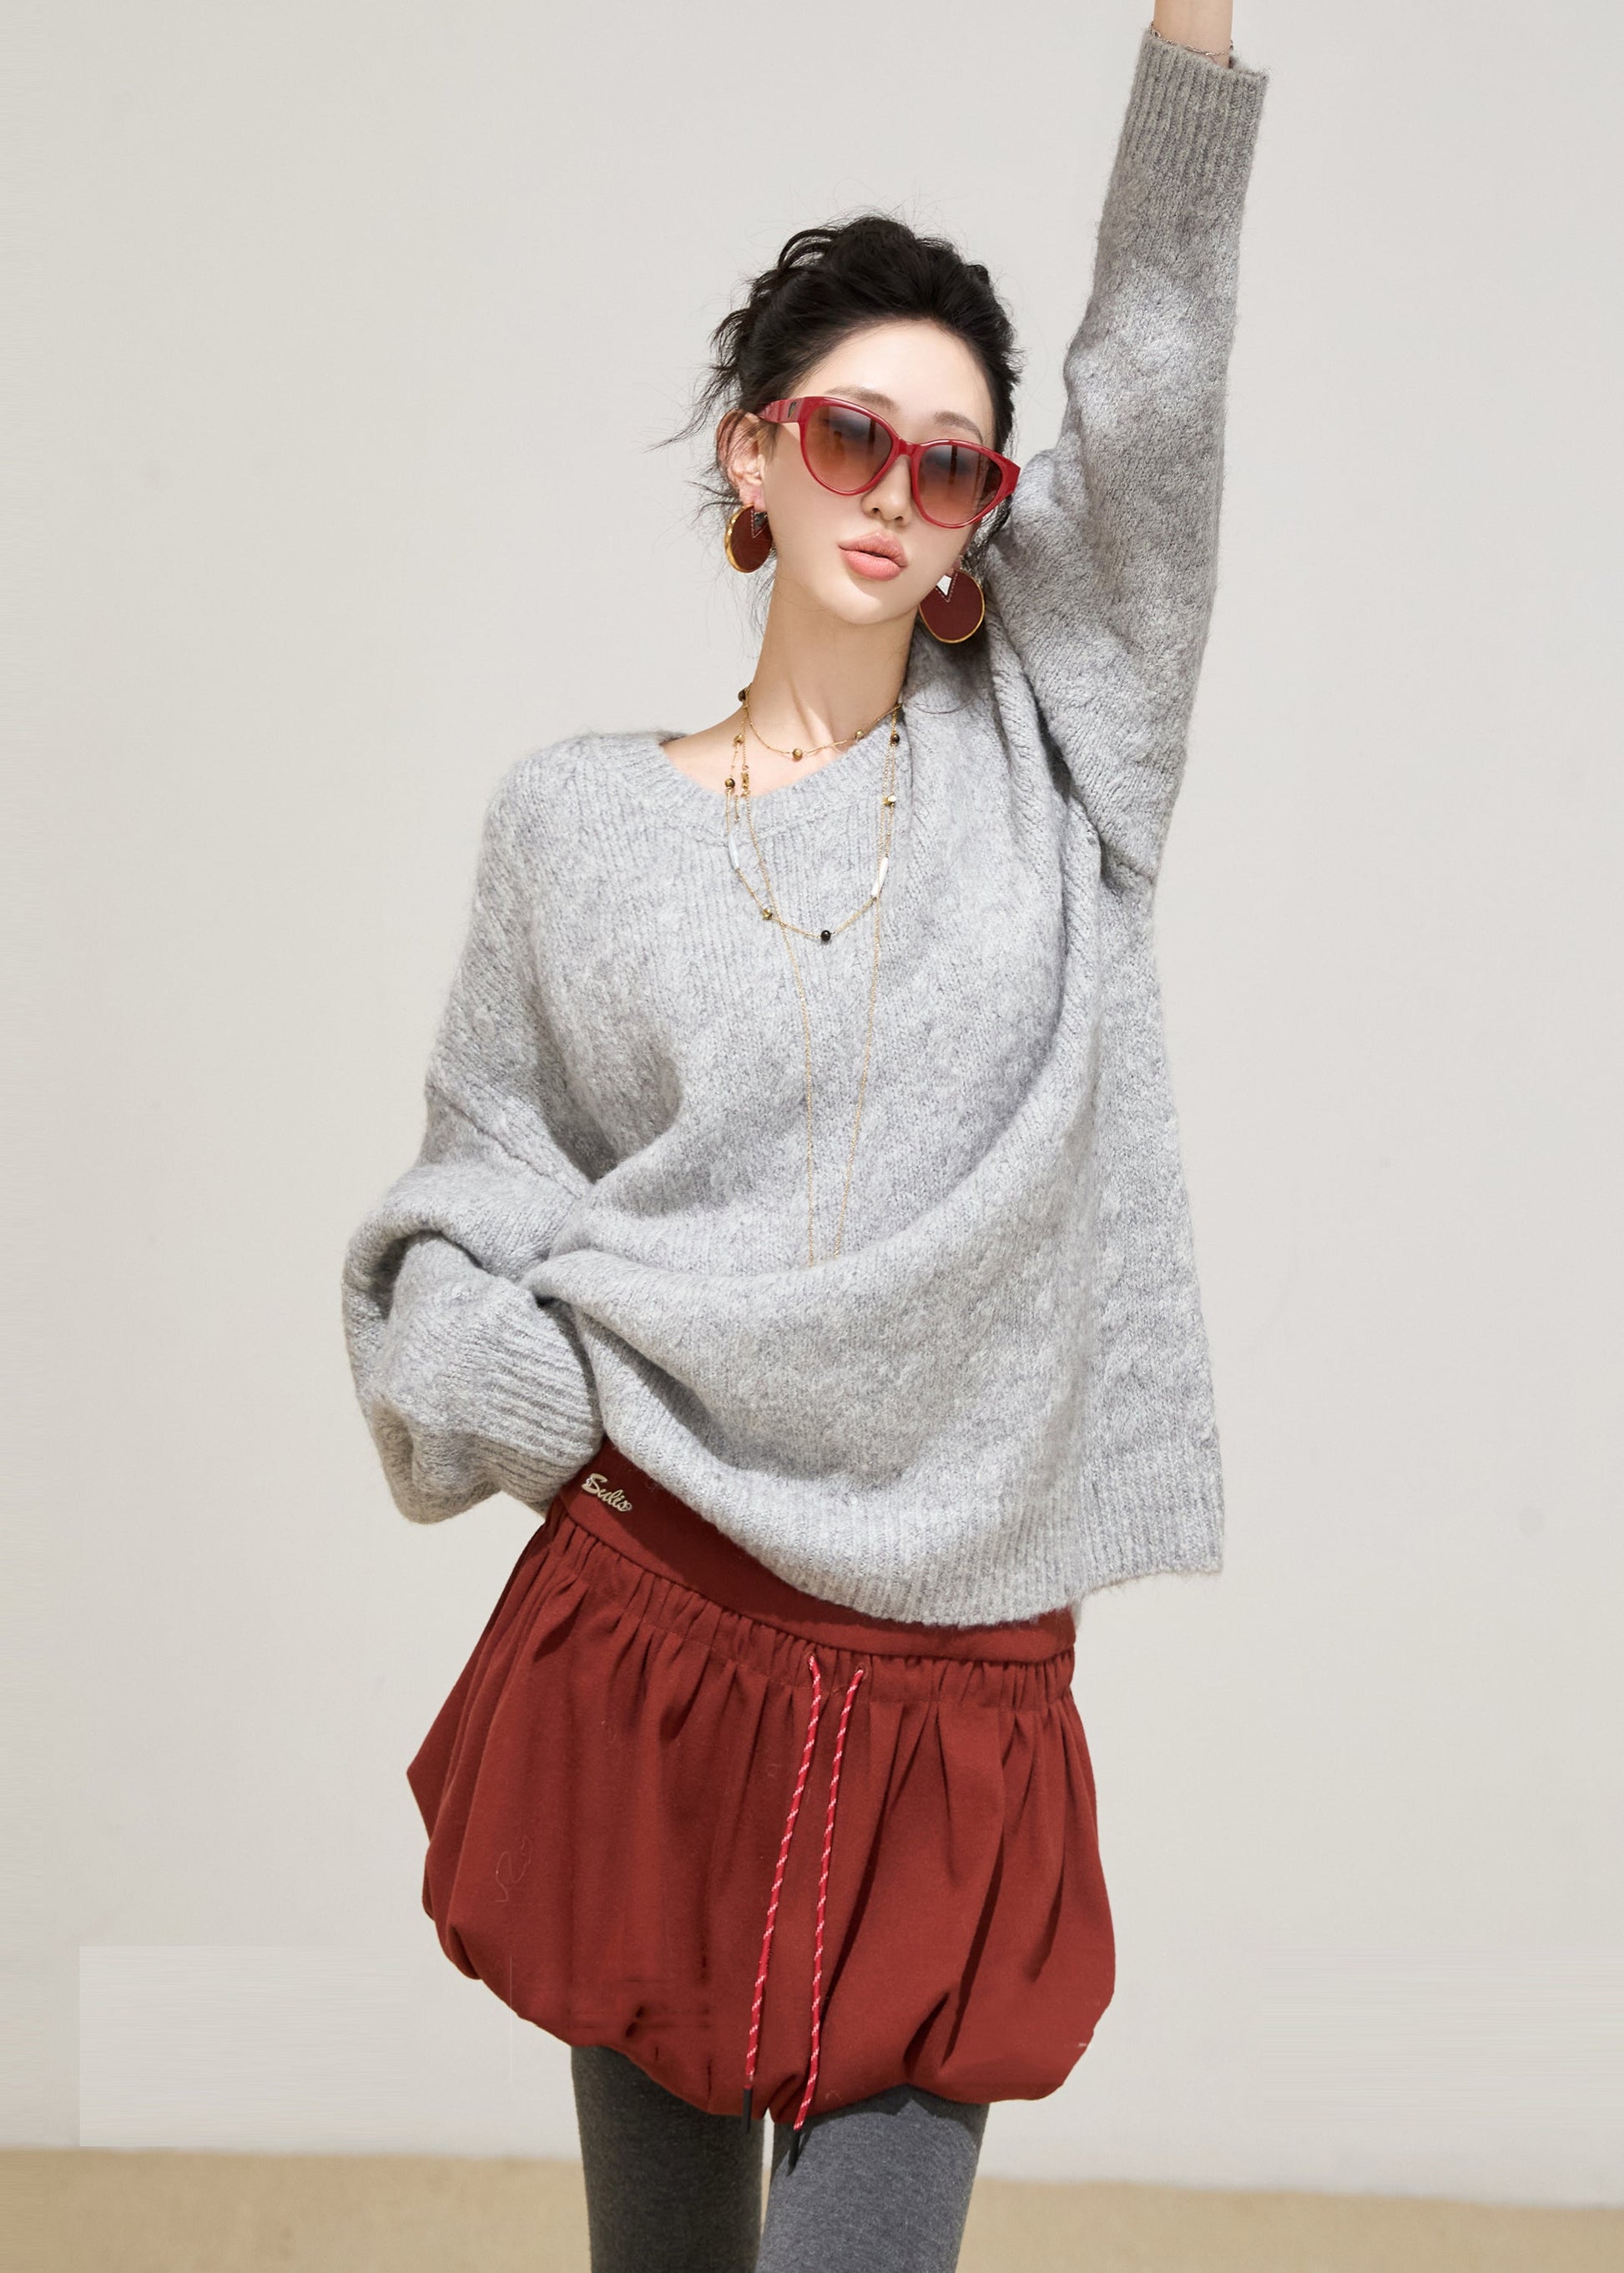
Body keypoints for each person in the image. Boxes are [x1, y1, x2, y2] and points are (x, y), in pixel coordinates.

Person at [340, 12, 1269, 2269]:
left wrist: (1196, 36)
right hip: (661, 1629)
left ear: (984, 525)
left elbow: (1153, 372)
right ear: (752, 455)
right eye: (851, 432)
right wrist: (509, 1384)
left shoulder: (1063, 768)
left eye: (951, 465)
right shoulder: (576, 826)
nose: (893, 488)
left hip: (953, 1683)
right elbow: (477, 1183)